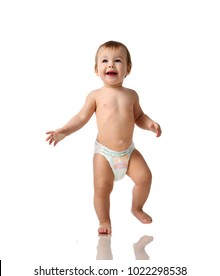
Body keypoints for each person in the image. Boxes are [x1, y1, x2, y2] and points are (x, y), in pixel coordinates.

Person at [46, 40, 162, 235]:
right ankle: (104, 219)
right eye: (105, 61)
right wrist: (64, 131)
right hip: (104, 154)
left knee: (145, 178)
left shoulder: (132, 95)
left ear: (128, 69)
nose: (110, 65)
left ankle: (136, 207)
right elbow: (81, 117)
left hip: (128, 152)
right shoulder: (96, 96)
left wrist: (149, 123)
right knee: (102, 188)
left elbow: (139, 117)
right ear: (96, 69)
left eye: (117, 61)